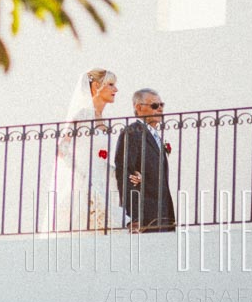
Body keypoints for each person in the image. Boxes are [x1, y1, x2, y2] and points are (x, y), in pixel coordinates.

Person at [48, 69, 123, 232]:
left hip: (103, 180)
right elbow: (62, 148)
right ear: (96, 86)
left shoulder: (104, 120)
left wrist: (115, 172)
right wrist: (80, 173)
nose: (115, 90)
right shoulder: (82, 115)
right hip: (84, 180)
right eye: (110, 85)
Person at [115, 88, 176, 232]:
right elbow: (125, 173)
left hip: (162, 213)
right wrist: (133, 217)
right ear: (139, 107)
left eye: (162, 105)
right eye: (155, 106)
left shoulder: (155, 135)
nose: (160, 109)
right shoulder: (133, 132)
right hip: (145, 214)